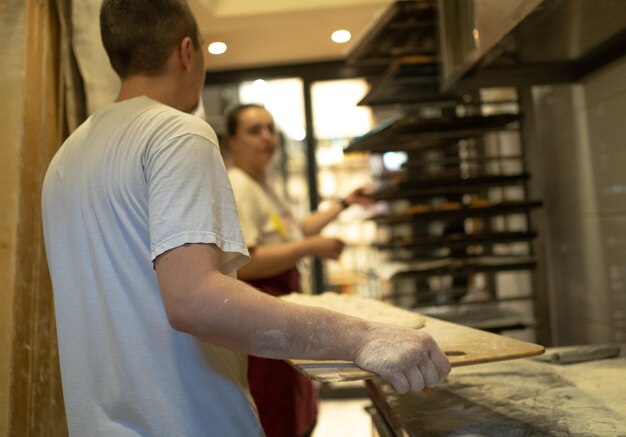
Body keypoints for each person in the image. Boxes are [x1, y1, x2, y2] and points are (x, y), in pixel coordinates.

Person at [41, 1, 451, 436]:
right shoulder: (176, 132)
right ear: (186, 52)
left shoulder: (67, 157)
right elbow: (195, 299)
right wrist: (364, 337)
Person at [225, 103, 374, 437]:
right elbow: (246, 262)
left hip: (282, 313)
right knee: (276, 410)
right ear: (232, 141)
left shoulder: (262, 183)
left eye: (270, 129)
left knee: (296, 407)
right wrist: (311, 248)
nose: (266, 138)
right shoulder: (237, 184)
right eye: (254, 131)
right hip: (262, 316)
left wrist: (345, 203)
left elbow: (296, 230)